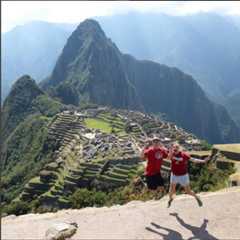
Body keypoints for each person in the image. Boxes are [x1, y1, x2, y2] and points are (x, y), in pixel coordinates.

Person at [167, 143, 210, 208]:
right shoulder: (171, 154)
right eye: (174, 148)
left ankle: (197, 197)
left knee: (188, 191)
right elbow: (168, 157)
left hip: (183, 175)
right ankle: (170, 200)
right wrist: (170, 151)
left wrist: (203, 161)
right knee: (171, 190)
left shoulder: (184, 155)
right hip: (174, 175)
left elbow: (193, 160)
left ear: (179, 149)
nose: (175, 149)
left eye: (177, 148)